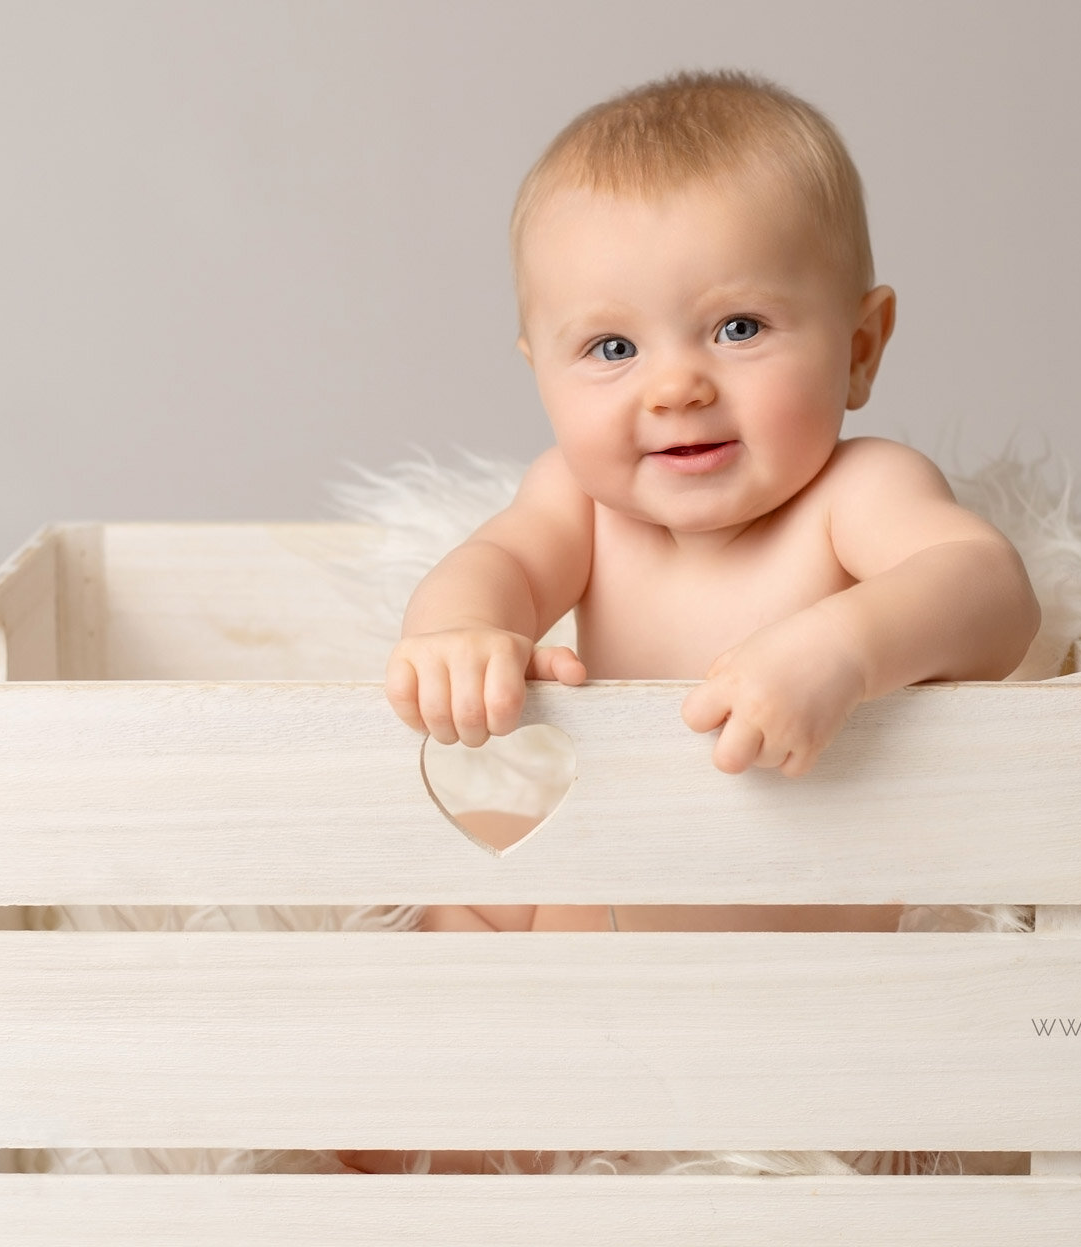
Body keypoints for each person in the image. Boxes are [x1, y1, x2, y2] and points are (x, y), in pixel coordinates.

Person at [387, 70, 1040, 935]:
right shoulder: (579, 504)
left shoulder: (856, 493)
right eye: (611, 346)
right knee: (454, 885)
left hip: (796, 936)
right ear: (539, 373)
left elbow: (989, 588)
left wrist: (843, 648)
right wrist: (457, 634)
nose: (674, 387)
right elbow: (498, 563)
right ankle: (503, 1062)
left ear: (858, 348)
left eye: (738, 328)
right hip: (602, 906)